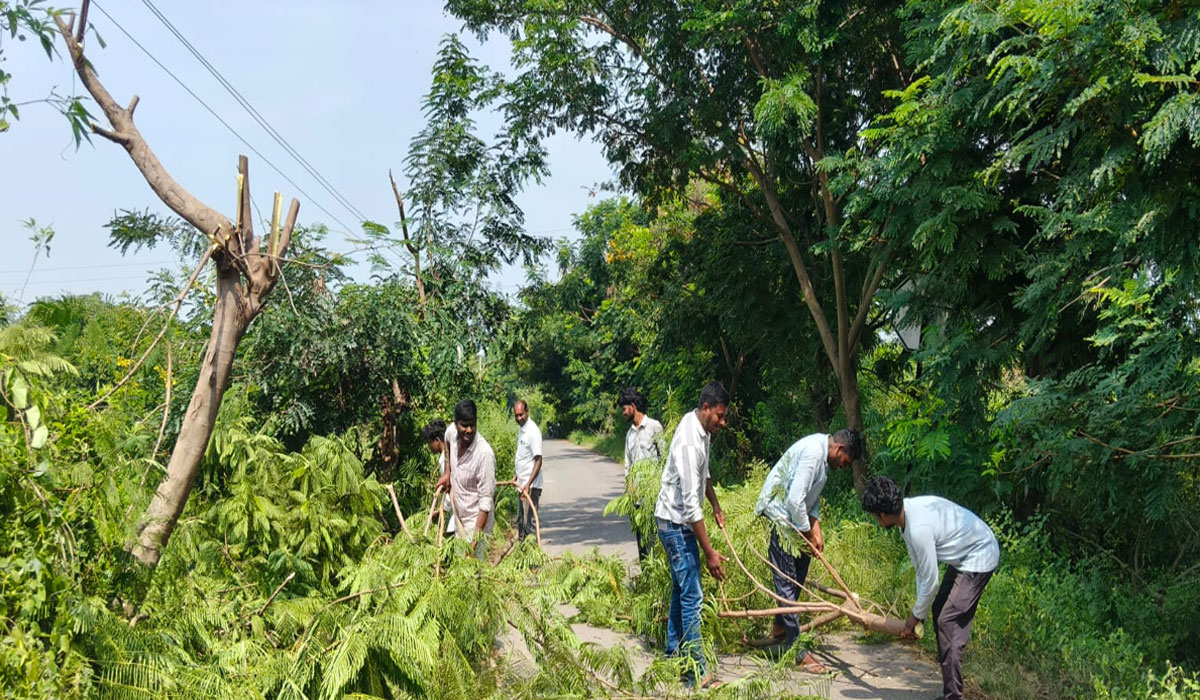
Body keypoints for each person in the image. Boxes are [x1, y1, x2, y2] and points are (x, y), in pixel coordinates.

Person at [860, 475, 999, 700]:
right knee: (940, 611)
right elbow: (921, 572)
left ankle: (954, 696)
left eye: (876, 518)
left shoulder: (918, 528)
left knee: (948, 621)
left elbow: (931, 581)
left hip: (979, 554)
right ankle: (950, 692)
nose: (878, 522)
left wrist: (914, 617)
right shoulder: (906, 518)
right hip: (964, 557)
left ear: (883, 515)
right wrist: (920, 615)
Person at [750, 428, 864, 670]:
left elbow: (810, 500)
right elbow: (793, 500)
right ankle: (798, 651)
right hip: (782, 519)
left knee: (799, 573)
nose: (844, 466)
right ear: (840, 450)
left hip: (796, 520)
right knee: (787, 582)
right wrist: (807, 533)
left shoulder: (823, 460)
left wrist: (817, 530)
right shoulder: (814, 453)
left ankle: (781, 626)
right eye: (847, 461)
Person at [654, 381, 730, 689]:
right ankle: (695, 672)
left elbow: (704, 474)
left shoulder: (703, 431)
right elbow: (688, 508)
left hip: (678, 522)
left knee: (680, 590)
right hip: (674, 525)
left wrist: (716, 505)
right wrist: (710, 552)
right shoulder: (688, 441)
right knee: (693, 595)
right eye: (720, 416)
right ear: (706, 408)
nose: (722, 423)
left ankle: (674, 656)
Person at [435, 399, 496, 560]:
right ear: (456, 424)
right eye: (464, 425)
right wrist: (447, 472)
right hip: (459, 515)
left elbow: (485, 504)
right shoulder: (451, 433)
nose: (469, 430)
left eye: (473, 425)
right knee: (461, 568)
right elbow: (447, 444)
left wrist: (473, 544)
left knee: (474, 573)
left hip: (477, 524)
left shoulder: (484, 455)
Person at [619, 387, 664, 559]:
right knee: (642, 543)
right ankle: (645, 577)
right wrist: (630, 489)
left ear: (633, 406)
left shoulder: (654, 427)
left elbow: (664, 459)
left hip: (654, 497)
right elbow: (627, 466)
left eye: (624, 409)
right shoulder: (629, 435)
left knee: (657, 540)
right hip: (637, 499)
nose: (623, 413)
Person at [512, 399, 544, 540]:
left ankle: (533, 560)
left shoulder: (533, 431)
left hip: (531, 485)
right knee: (520, 522)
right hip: (521, 484)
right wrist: (516, 475)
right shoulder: (521, 429)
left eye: (521, 414)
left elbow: (538, 460)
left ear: (527, 412)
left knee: (530, 524)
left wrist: (529, 484)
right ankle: (522, 556)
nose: (519, 418)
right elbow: (523, 456)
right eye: (516, 415)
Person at [421, 419, 456, 535]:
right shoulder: (453, 453)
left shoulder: (444, 460)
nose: (429, 446)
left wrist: (443, 509)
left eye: (429, 443)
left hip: (457, 515)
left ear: (437, 441)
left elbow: (452, 488)